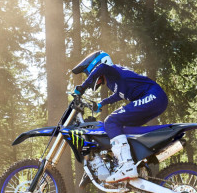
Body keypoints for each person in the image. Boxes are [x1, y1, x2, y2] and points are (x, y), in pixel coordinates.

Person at [72, 51, 168, 183]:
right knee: (122, 129)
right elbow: (118, 95)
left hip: (154, 96)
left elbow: (102, 68)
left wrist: (83, 87)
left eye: (91, 73)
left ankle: (127, 166)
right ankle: (139, 166)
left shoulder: (112, 70)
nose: (91, 77)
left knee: (111, 121)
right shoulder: (112, 81)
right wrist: (101, 103)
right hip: (156, 100)